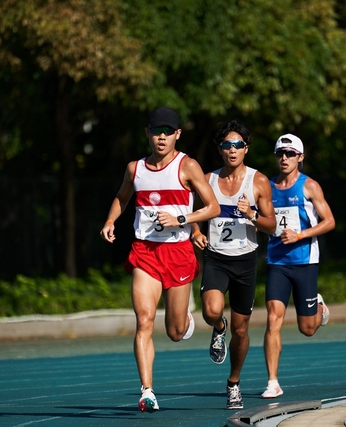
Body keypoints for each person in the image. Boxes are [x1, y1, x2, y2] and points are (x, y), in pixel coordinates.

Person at [99, 106, 220, 413]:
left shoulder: (187, 166)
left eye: (168, 131)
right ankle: (147, 390)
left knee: (175, 332)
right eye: (157, 131)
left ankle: (186, 320)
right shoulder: (134, 169)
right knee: (143, 320)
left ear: (177, 134)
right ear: (148, 134)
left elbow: (213, 208)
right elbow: (122, 198)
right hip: (145, 253)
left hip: (178, 253)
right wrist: (110, 221)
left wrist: (182, 218)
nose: (162, 137)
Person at [191, 119, 276, 409]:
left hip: (245, 261)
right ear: (220, 149)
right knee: (211, 310)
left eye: (238, 145)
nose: (232, 149)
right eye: (227, 144)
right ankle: (218, 326)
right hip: (216, 257)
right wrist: (196, 232)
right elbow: (195, 212)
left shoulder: (259, 181)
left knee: (241, 331)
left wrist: (251, 214)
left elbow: (272, 226)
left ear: (246, 150)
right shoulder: (209, 179)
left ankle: (233, 383)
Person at [261, 134, 335, 399]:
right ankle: (272, 382)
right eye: (280, 153)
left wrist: (300, 235)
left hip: (304, 261)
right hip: (277, 262)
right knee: (272, 318)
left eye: (290, 154)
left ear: (300, 158)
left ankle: (319, 305)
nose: (284, 158)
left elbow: (329, 221)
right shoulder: (266, 187)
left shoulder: (310, 186)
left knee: (307, 329)